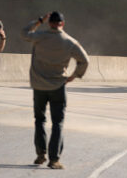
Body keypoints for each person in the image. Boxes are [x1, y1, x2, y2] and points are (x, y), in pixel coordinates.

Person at [21, 11, 89, 169]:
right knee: (57, 123)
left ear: (49, 22)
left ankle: (40, 154)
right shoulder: (69, 41)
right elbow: (84, 60)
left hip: (38, 86)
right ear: (62, 23)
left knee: (39, 120)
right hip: (58, 86)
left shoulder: (39, 36)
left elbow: (24, 32)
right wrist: (73, 76)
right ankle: (54, 159)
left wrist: (39, 20)